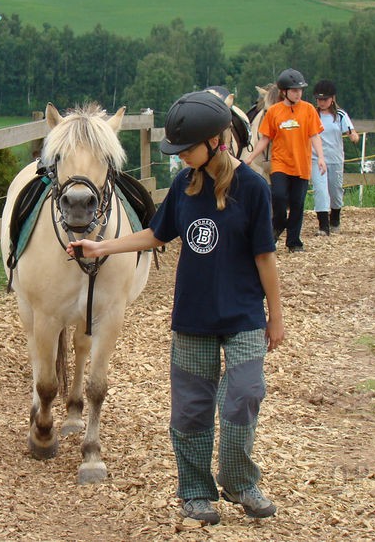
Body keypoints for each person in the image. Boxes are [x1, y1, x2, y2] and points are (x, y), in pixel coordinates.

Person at [67, 90, 285, 524]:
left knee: (243, 397)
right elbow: (156, 234)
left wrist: (275, 316)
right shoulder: (185, 187)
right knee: (191, 411)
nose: (180, 155)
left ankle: (239, 481)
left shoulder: (254, 189)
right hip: (193, 317)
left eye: (186, 148)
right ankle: (196, 492)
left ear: (214, 142)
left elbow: (265, 257)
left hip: (243, 317)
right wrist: (100, 247)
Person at [244, 68, 326, 252]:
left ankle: (294, 242)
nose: (298, 93)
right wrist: (251, 157)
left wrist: (321, 157)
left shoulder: (308, 110)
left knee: (297, 204)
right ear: (284, 92)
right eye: (294, 90)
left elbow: (314, 136)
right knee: (279, 197)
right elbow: (265, 138)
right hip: (280, 164)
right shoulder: (274, 112)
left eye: (300, 90)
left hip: (301, 164)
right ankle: (279, 223)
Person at [312, 79, 359, 234]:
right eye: (319, 99)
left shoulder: (340, 115)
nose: (321, 102)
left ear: (332, 99)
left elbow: (351, 131)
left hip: (335, 159)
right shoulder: (312, 114)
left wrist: (353, 136)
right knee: (320, 190)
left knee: (335, 190)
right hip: (316, 159)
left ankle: (335, 219)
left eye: (324, 99)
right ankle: (323, 226)